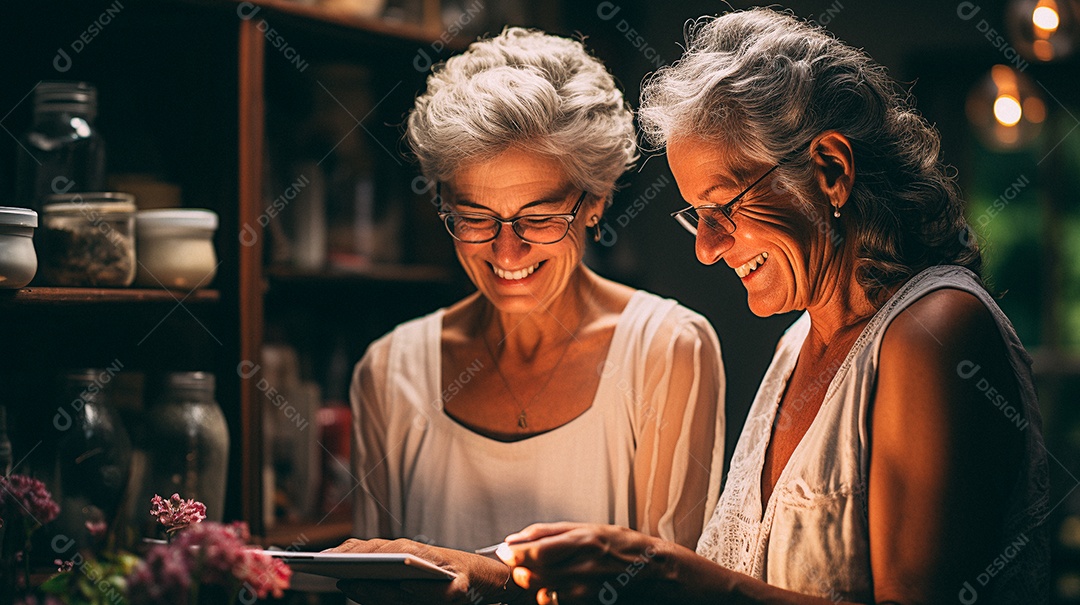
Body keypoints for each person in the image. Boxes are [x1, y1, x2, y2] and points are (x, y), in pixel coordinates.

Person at [497, 8, 1050, 605]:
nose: (707, 250)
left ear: (831, 172)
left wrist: (666, 572)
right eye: (697, 218)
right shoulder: (797, 342)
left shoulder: (935, 330)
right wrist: (487, 573)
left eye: (724, 207)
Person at [330, 27, 726, 604]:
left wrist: (471, 573)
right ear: (443, 204)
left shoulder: (666, 348)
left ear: (596, 202)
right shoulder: (389, 371)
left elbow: (663, 592)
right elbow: (377, 586)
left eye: (539, 219)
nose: (507, 253)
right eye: (475, 217)